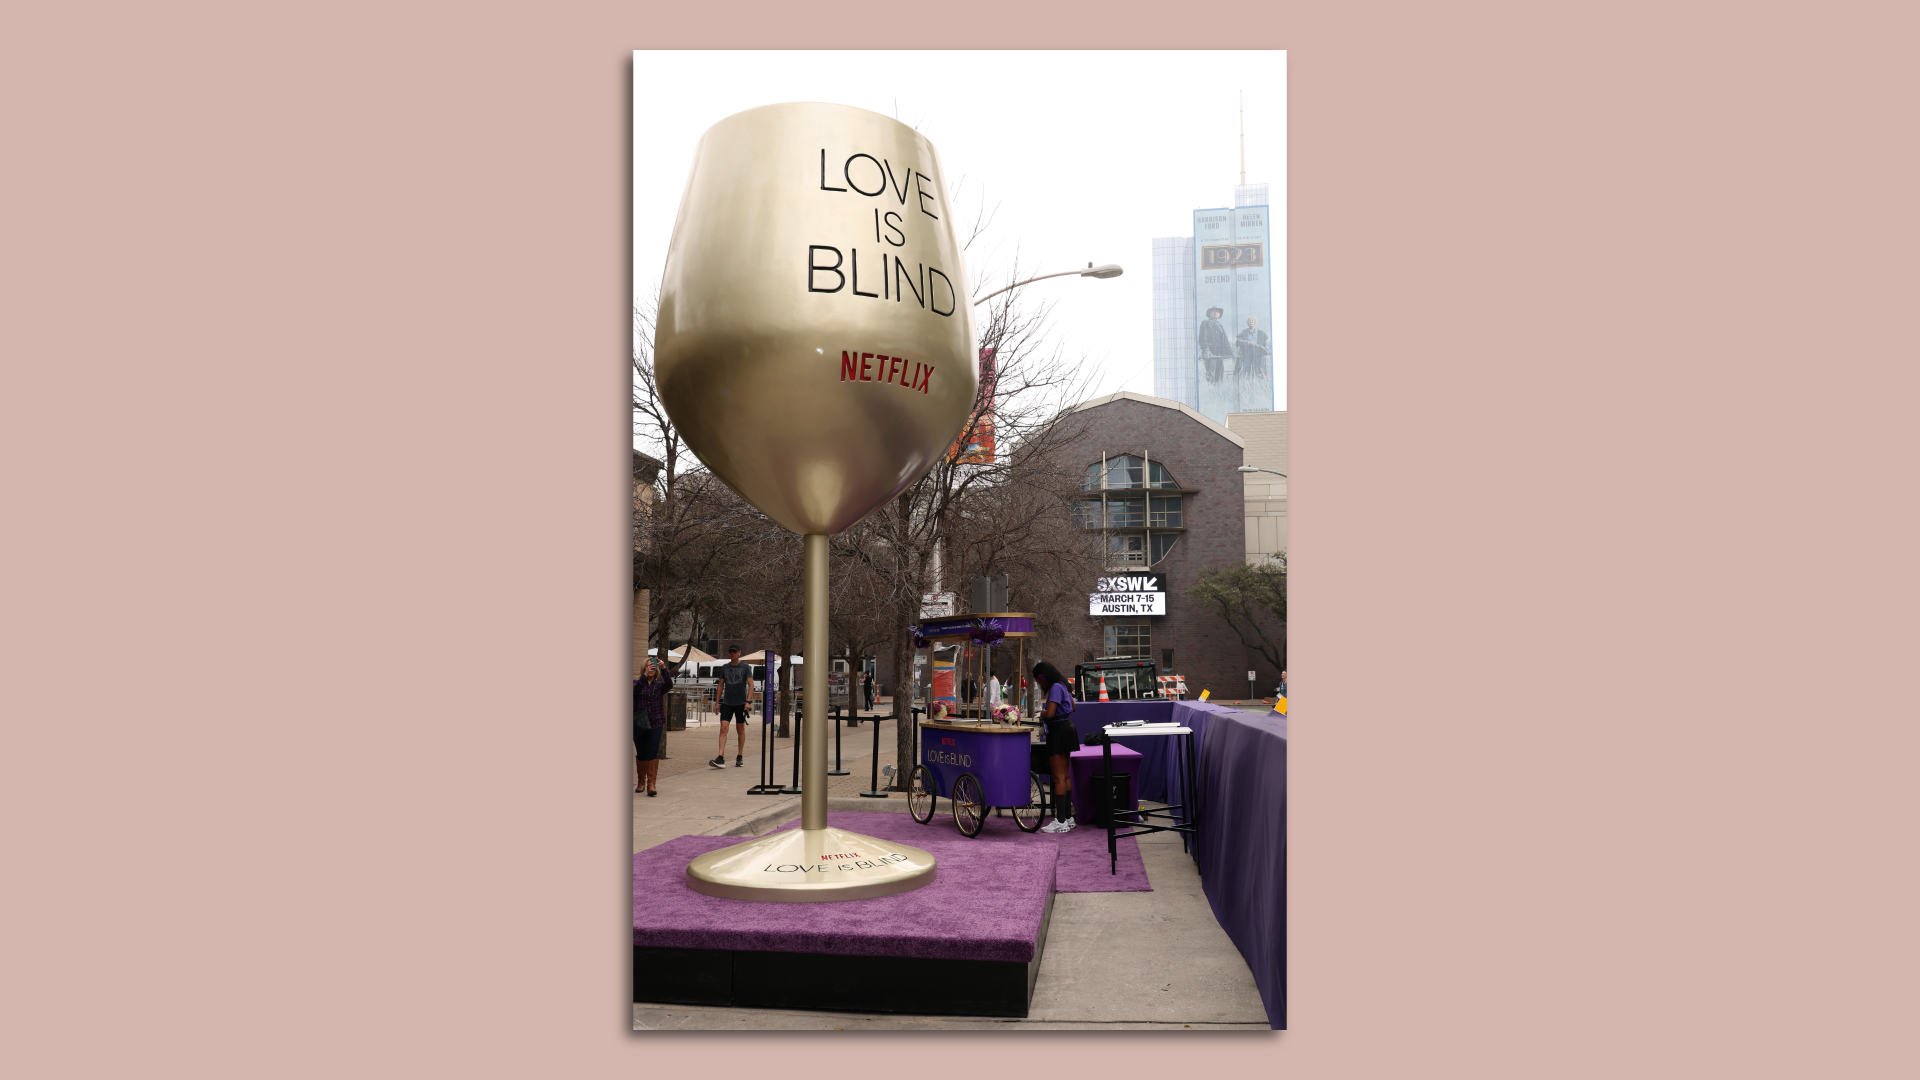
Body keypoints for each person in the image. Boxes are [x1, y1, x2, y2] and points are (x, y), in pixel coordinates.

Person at [1031, 661, 1079, 833]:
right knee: (1065, 776)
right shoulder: (1064, 685)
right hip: (1067, 729)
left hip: (1058, 732)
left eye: (1039, 681)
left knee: (1058, 778)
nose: (1040, 685)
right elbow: (1073, 707)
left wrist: (1041, 713)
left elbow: (1050, 713)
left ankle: (1060, 821)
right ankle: (1068, 817)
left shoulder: (1055, 688)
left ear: (1043, 677)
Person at [633, 646, 687, 796]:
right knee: (641, 753)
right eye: (648, 666)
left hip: (655, 723)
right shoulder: (636, 683)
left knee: (652, 751)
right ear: (644, 668)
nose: (651, 669)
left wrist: (664, 669)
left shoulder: (659, 686)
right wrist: (644, 676)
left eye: (653, 667)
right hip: (639, 724)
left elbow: (669, 684)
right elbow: (634, 692)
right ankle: (641, 782)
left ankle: (651, 784)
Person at [710, 646, 754, 768]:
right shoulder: (725, 667)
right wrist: (717, 703)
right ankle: (720, 757)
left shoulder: (745, 667)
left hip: (741, 703)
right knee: (723, 729)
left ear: (739, 653)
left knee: (740, 730)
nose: (732, 653)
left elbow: (751, 685)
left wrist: (748, 701)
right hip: (727, 703)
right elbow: (720, 686)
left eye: (734, 652)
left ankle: (739, 756)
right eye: (730, 652)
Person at [1197, 306, 1233, 383]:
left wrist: (1228, 353)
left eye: (1218, 312)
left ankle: (1218, 388)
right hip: (1211, 352)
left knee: (1219, 373)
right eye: (1213, 311)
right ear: (1210, 314)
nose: (1216, 313)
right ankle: (1210, 388)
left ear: (1219, 315)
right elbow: (1202, 337)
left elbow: (1225, 340)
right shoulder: (1206, 322)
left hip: (1219, 353)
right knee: (1211, 373)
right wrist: (1206, 350)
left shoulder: (1220, 326)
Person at [1236, 315, 1271, 380]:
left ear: (1255, 322)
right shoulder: (1244, 332)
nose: (1251, 321)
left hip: (1259, 355)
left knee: (1259, 371)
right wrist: (1249, 342)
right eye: (1249, 321)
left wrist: (1266, 349)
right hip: (1247, 355)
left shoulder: (1261, 333)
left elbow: (1266, 344)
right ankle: (1247, 384)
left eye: (1252, 320)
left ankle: (1259, 383)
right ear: (1248, 323)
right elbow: (1238, 342)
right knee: (1247, 372)